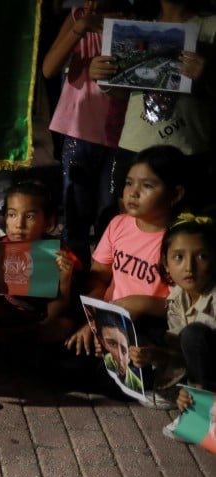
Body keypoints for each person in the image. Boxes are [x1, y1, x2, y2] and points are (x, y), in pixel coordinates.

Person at [65, 144, 187, 406]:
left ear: (175, 194)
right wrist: (94, 321)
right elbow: (98, 275)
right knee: (68, 345)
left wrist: (140, 304)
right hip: (109, 318)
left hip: (149, 325)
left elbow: (187, 304)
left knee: (138, 349)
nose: (133, 192)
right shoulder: (119, 224)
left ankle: (156, 382)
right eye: (129, 182)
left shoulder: (181, 240)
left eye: (147, 185)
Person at [89, 0, 216, 215]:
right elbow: (127, 94)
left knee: (189, 231)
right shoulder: (134, 24)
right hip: (135, 145)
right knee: (133, 228)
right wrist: (104, 80)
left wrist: (208, 76)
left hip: (189, 149)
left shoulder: (211, 26)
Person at [42, 0, 132, 269]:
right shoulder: (77, 16)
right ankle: (73, 284)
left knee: (109, 215)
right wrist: (80, 28)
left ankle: (102, 287)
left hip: (121, 135)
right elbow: (48, 69)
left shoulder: (136, 21)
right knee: (75, 216)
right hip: (79, 131)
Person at [124, 214, 216, 438]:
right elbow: (181, 352)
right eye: (178, 257)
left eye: (202, 256)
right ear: (165, 263)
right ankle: (195, 401)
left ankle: (203, 413)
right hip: (205, 374)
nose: (189, 267)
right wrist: (155, 355)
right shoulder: (177, 297)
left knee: (194, 334)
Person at [0, 181, 78, 347]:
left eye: (29, 216)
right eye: (12, 215)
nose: (19, 225)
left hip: (38, 320)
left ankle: (5, 343)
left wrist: (65, 281)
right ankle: (9, 343)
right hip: (2, 317)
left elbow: (57, 310)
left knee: (64, 326)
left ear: (48, 222)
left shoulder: (58, 256)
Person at [93, 309, 145, 391]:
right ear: (102, 342)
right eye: (112, 344)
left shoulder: (137, 384)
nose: (120, 357)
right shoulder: (107, 359)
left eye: (124, 351)